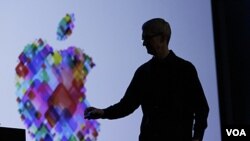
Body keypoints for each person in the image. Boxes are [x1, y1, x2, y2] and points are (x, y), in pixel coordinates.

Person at [84, 18, 209, 141]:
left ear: (162, 38)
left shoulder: (185, 69)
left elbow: (201, 108)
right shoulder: (143, 72)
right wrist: (103, 112)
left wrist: (197, 137)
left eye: (147, 38)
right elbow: (127, 105)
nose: (144, 43)